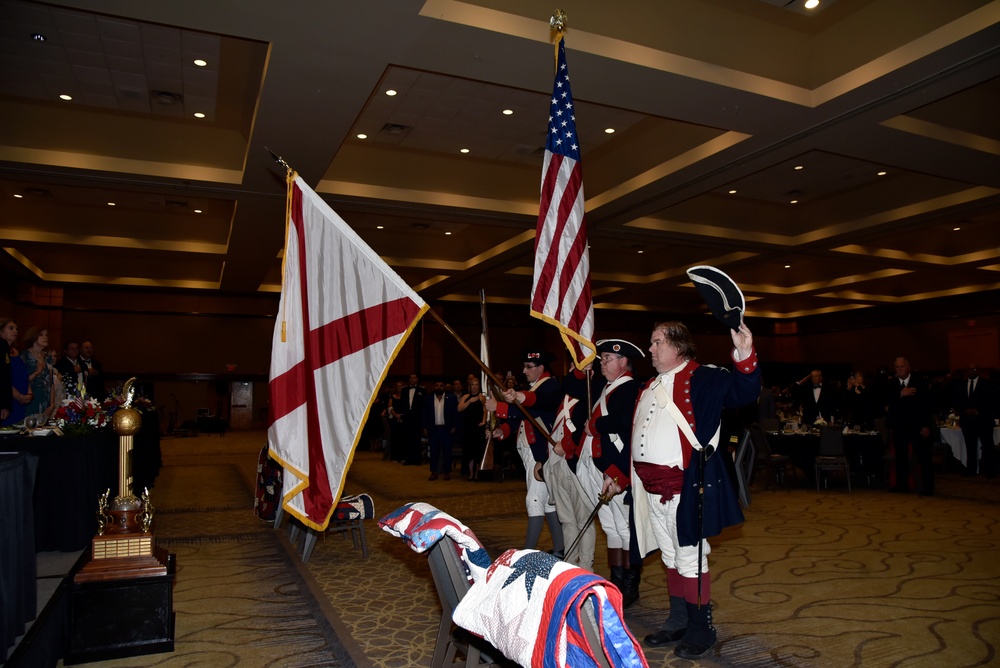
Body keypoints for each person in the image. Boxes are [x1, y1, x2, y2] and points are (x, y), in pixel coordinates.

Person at [634, 321, 759, 660]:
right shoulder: (649, 384)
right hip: (651, 490)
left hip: (685, 487)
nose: (651, 349)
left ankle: (701, 630)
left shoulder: (704, 377)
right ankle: (678, 621)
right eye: (651, 342)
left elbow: (744, 392)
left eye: (657, 342)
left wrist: (744, 354)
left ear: (678, 346)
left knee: (691, 559)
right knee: (671, 557)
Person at [578, 339, 644, 605]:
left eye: (607, 359)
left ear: (623, 362)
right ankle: (616, 579)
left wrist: (595, 425)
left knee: (625, 527)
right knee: (610, 525)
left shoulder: (629, 389)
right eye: (602, 359)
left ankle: (630, 585)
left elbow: (626, 426)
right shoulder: (606, 388)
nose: (602, 363)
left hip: (614, 468)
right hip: (599, 465)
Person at [486, 349, 563, 555]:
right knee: (546, 502)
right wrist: (504, 430)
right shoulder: (533, 387)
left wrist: (499, 407)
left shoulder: (551, 386)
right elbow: (522, 418)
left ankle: (527, 553)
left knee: (535, 500)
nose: (524, 370)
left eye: (528, 367)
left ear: (541, 368)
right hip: (530, 451)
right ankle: (560, 548)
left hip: (542, 452)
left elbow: (534, 406)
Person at [543, 362, 599, 570]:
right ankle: (570, 562)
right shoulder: (562, 396)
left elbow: (587, 428)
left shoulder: (589, 396)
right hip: (556, 464)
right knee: (566, 519)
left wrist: (566, 446)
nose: (570, 375)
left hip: (574, 464)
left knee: (584, 520)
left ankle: (585, 565)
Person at [886, 357, 934, 495]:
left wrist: (926, 425)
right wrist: (900, 394)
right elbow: (887, 404)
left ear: (908, 367)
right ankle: (902, 485)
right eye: (896, 367)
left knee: (924, 457)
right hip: (899, 426)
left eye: (901, 366)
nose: (899, 369)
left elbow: (927, 405)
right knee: (900, 457)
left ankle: (928, 487)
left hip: (917, 426)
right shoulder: (892, 384)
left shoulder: (919, 383)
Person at [952, 364, 997, 478]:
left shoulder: (987, 384)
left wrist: (977, 410)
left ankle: (990, 470)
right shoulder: (961, 385)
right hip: (967, 421)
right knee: (970, 446)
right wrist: (965, 410)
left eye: (974, 369)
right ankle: (971, 469)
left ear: (978, 371)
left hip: (984, 420)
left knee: (987, 446)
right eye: (969, 369)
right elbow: (957, 400)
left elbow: (992, 401)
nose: (971, 371)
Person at [423, 380, 458, 480]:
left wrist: (454, 426)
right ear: (434, 387)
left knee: (447, 451)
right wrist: (424, 427)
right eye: (437, 385)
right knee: (433, 451)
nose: (439, 387)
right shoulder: (428, 399)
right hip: (433, 429)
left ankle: (446, 472)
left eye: (441, 386)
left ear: (444, 387)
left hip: (446, 429)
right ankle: (434, 472)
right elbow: (424, 414)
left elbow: (455, 414)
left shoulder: (451, 398)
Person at [20, 326, 56, 419]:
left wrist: (52, 405)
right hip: (31, 400)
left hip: (46, 402)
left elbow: (51, 383)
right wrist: (38, 372)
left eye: (46, 335)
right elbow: (21, 381)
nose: (45, 337)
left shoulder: (48, 357)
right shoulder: (24, 356)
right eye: (41, 335)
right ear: (33, 337)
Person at [457, 377, 487, 480]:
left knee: (477, 452)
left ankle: (477, 474)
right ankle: (470, 473)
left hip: (478, 428)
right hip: (468, 427)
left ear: (479, 386)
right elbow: (459, 409)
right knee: (469, 452)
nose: (474, 387)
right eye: (472, 385)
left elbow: (485, 411)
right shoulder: (465, 396)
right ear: (469, 386)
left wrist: (483, 421)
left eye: (476, 385)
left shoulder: (482, 397)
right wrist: (470, 401)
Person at [400, 373, 426, 466]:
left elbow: (424, 406)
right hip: (407, 418)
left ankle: (416, 459)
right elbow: (402, 404)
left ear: (417, 379)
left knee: (416, 439)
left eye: (414, 378)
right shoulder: (403, 390)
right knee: (407, 439)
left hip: (417, 418)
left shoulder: (422, 390)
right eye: (410, 378)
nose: (412, 379)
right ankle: (408, 459)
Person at [0, 317, 18, 423]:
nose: (15, 331)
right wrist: (4, 405)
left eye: (16, 328)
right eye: (11, 328)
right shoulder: (2, 345)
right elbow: (2, 377)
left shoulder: (5, 346)